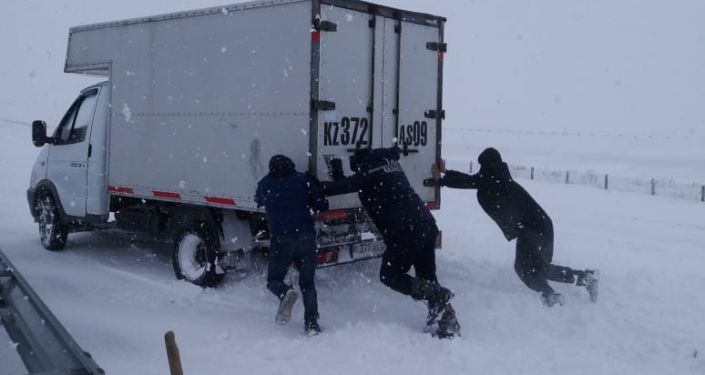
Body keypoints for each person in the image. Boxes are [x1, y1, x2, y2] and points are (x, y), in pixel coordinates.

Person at [431, 148, 599, 306]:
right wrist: (446, 174)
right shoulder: (498, 179)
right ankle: (585, 278)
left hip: (532, 230)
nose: (481, 169)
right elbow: (473, 181)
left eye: (483, 166)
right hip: (543, 226)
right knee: (541, 268)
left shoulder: (494, 183)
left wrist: (443, 179)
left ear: (489, 166)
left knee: (524, 269)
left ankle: (550, 296)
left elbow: (472, 182)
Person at [323, 146, 459, 338]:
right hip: (426, 224)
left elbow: (334, 189)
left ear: (361, 163)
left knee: (390, 275)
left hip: (405, 231)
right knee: (427, 276)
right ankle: (448, 322)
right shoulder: (391, 165)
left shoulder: (367, 174)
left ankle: (438, 298)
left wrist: (305, 183)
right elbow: (358, 183)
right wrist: (341, 176)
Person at [255, 154, 329, 335]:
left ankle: (284, 292)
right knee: (308, 283)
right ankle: (312, 324)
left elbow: (258, 200)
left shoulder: (265, 184)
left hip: (281, 239)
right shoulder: (302, 180)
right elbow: (322, 204)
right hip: (306, 237)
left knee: (273, 280)